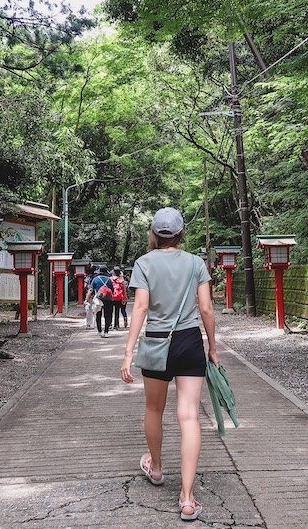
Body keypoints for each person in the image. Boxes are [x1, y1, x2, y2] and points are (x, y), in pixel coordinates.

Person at [120, 207, 217, 522]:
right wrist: (212, 347)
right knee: (189, 416)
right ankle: (187, 498)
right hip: (189, 341)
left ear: (153, 234)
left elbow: (141, 307)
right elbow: (206, 308)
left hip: (158, 343)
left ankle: (157, 468)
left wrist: (128, 353)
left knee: (154, 409)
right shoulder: (195, 263)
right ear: (180, 233)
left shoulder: (144, 263)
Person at [85, 265, 115, 337]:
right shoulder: (109, 279)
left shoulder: (95, 279)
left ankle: (99, 331)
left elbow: (91, 290)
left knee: (98, 315)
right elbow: (112, 290)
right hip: (108, 299)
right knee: (107, 315)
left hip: (98, 299)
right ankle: (106, 332)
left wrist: (86, 299)